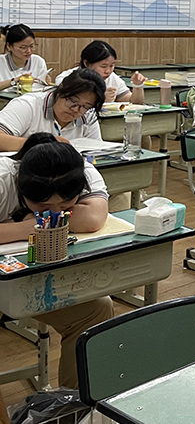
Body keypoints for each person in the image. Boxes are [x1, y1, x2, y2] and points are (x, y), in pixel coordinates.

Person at [0, 133, 114, 388]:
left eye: (65, 204)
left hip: (25, 278)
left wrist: (20, 223)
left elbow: (93, 219)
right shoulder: (3, 178)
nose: (54, 212)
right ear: (19, 184)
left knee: (95, 310)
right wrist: (32, 225)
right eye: (42, 206)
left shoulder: (80, 170)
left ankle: (72, 403)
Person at [0, 69, 106, 151]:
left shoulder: (88, 114)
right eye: (72, 101)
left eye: (85, 106)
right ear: (60, 89)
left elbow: (96, 150)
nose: (75, 109)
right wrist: (42, 144)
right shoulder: (28, 105)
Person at [55, 40, 147, 104]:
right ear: (86, 63)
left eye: (112, 66)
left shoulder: (112, 78)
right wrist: (100, 99)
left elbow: (134, 102)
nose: (108, 71)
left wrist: (137, 86)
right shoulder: (67, 78)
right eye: (103, 66)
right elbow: (69, 106)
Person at [0, 24, 51, 90]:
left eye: (32, 46)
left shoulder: (38, 61)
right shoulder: (1, 61)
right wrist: (14, 81)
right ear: (9, 46)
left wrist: (46, 83)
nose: (29, 51)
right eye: (23, 47)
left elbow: (42, 88)